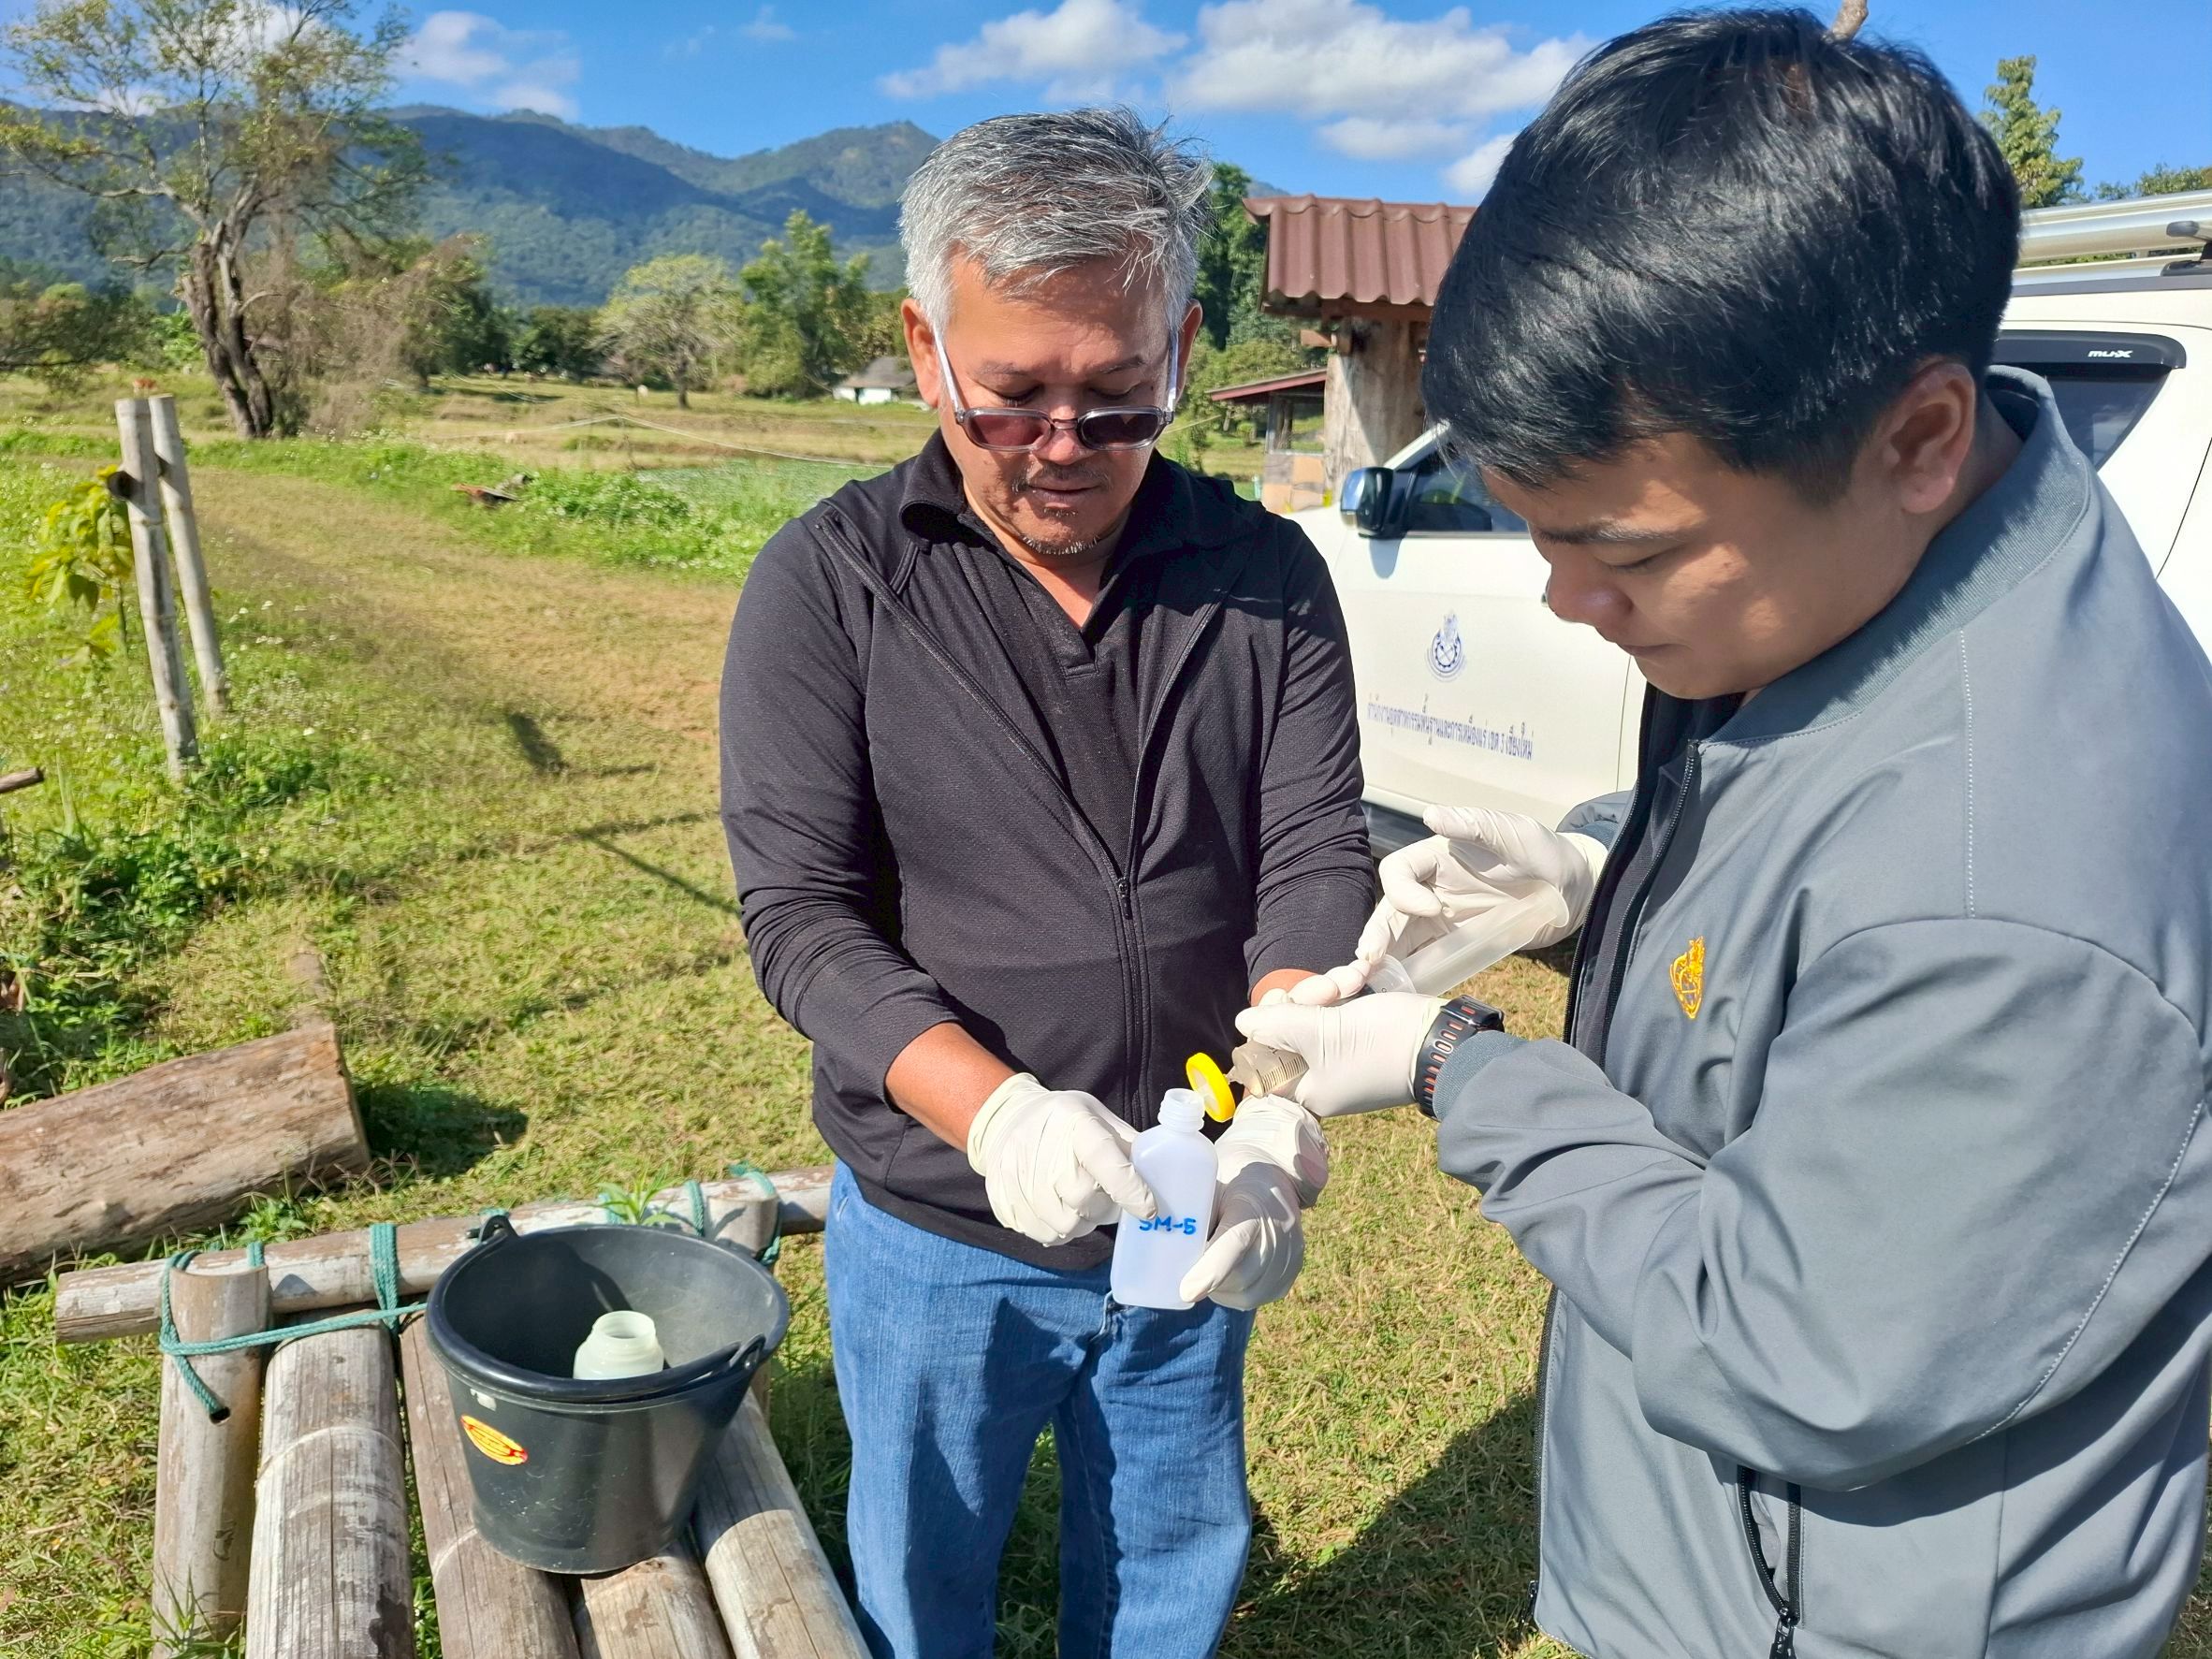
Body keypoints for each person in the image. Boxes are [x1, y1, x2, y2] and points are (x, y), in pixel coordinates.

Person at [1239, 13, 2212, 1658]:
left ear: (1913, 434)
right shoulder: (1879, 574)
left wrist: (1455, 1064)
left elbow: (1791, 1344)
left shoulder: (2018, 893)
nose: (1564, 595)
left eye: (1618, 545)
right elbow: (1811, 814)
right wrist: (1586, 871)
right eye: (1533, 528)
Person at [720, 109, 1370, 1659]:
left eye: (1118, 398)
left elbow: (1312, 851)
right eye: (1012, 400)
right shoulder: (831, 585)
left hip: (1191, 1189)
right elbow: (802, 917)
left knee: (1169, 1537)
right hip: (943, 1218)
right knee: (919, 1559)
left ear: (1186, 346)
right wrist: (994, 1111)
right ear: (924, 346)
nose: (1064, 449)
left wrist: (1280, 1096)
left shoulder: (1265, 575)